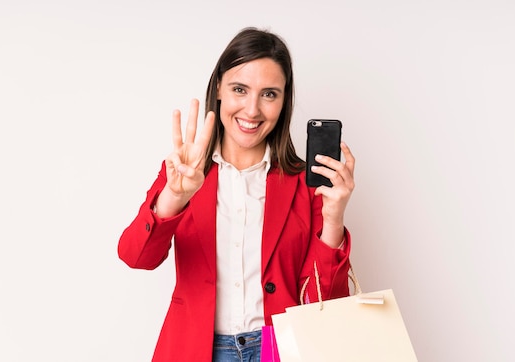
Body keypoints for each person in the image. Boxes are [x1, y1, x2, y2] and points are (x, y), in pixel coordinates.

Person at [118, 27, 356, 362]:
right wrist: (173, 197)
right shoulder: (185, 172)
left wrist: (333, 221)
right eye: (240, 89)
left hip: (279, 351)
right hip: (197, 350)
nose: (252, 110)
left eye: (269, 94)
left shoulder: (306, 186)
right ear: (219, 87)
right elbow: (135, 256)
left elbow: (322, 302)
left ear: (284, 99)